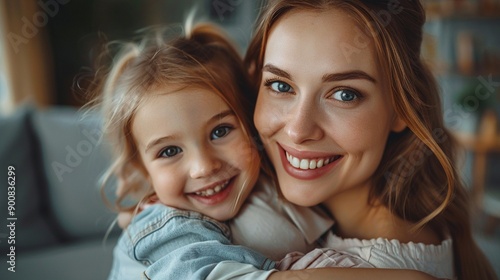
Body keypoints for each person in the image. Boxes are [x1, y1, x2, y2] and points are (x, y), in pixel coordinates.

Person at [87, 16, 438, 280]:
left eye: (221, 130)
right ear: (142, 169)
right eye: (168, 152)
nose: (203, 166)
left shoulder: (269, 182)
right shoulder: (169, 228)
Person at [243, 0, 497, 279]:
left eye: (345, 94)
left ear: (402, 108)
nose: (298, 130)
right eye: (280, 86)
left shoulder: (379, 267)